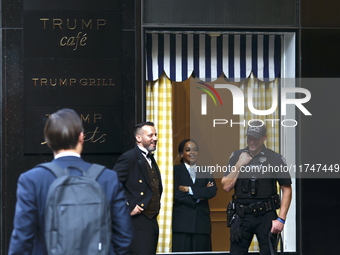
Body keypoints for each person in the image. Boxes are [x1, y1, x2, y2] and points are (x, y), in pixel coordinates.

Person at [8, 108, 132, 255]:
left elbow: (22, 239)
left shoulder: (32, 180)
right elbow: (124, 236)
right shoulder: (108, 178)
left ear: (47, 141)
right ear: (82, 137)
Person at [221, 121, 292, 255]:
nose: (252, 141)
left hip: (266, 215)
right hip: (242, 215)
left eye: (256, 138)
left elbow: (286, 189)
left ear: (264, 137)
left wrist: (281, 219)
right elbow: (226, 186)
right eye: (250, 137)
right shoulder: (237, 156)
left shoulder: (275, 158)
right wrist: (239, 164)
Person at [113, 122, 163, 255]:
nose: (155, 138)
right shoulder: (129, 157)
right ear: (138, 138)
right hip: (137, 220)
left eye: (155, 135)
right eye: (150, 135)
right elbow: (112, 184)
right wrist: (129, 205)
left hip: (151, 219)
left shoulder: (150, 158)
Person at [172, 139, 217, 252]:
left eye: (195, 150)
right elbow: (175, 194)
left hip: (201, 223)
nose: (192, 152)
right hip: (182, 223)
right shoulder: (174, 171)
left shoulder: (205, 170)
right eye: (188, 150)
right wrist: (200, 194)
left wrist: (189, 189)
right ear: (181, 154)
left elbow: (212, 191)